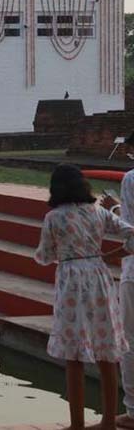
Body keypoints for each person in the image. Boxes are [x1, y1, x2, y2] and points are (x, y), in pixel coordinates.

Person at [34, 164, 134, 430]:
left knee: (74, 354)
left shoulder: (54, 218)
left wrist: (63, 254)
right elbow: (131, 233)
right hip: (99, 278)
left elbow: (44, 255)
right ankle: (108, 423)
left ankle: (77, 424)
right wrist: (112, 256)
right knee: (107, 351)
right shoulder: (98, 212)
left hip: (71, 281)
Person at [116, 171, 134, 430]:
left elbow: (130, 237)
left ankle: (133, 410)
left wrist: (115, 211)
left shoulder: (131, 179)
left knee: (130, 340)